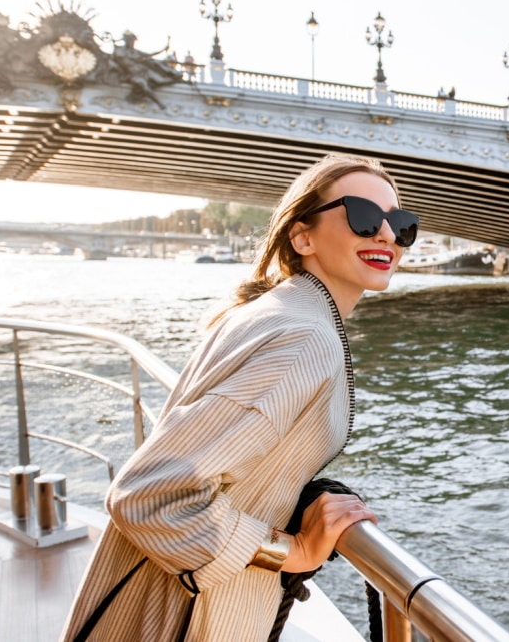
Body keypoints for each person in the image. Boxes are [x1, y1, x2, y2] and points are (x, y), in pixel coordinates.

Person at [61, 154, 420, 641]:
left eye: (401, 225)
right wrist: (293, 551)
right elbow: (152, 494)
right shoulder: (305, 338)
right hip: (192, 617)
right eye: (362, 216)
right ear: (303, 237)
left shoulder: (270, 310)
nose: (385, 236)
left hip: (152, 594)